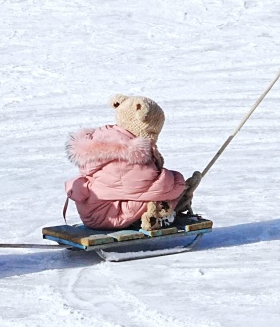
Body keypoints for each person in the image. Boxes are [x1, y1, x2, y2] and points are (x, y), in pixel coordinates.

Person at [64, 94, 188, 231]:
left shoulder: (107, 137)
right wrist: (179, 181)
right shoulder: (127, 154)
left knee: (160, 192)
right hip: (107, 215)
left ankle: (160, 208)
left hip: (94, 209)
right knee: (164, 193)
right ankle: (161, 212)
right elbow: (152, 186)